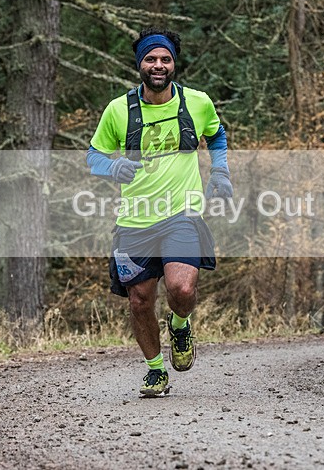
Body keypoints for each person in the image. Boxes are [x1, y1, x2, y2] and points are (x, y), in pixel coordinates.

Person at [87, 26, 232, 396]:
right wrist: (112, 167)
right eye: (151, 59)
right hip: (134, 220)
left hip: (182, 213)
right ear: (140, 64)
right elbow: (94, 156)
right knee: (139, 300)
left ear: (173, 64)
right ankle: (155, 370)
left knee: (182, 288)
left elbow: (216, 134)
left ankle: (180, 325)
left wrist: (220, 170)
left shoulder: (197, 102)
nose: (158, 65)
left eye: (165, 59)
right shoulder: (119, 110)